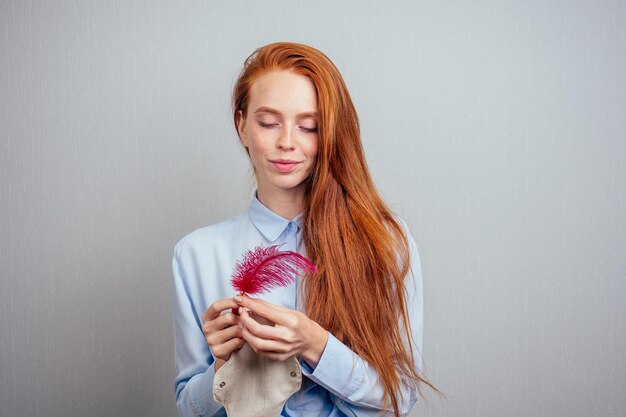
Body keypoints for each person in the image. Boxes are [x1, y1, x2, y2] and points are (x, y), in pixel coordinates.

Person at [171, 42, 440, 417]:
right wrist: (221, 367)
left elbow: (400, 396)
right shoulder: (195, 253)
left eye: (309, 126)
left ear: (329, 133)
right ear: (242, 126)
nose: (287, 142)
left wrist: (315, 344)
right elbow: (188, 407)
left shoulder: (385, 243)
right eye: (268, 123)